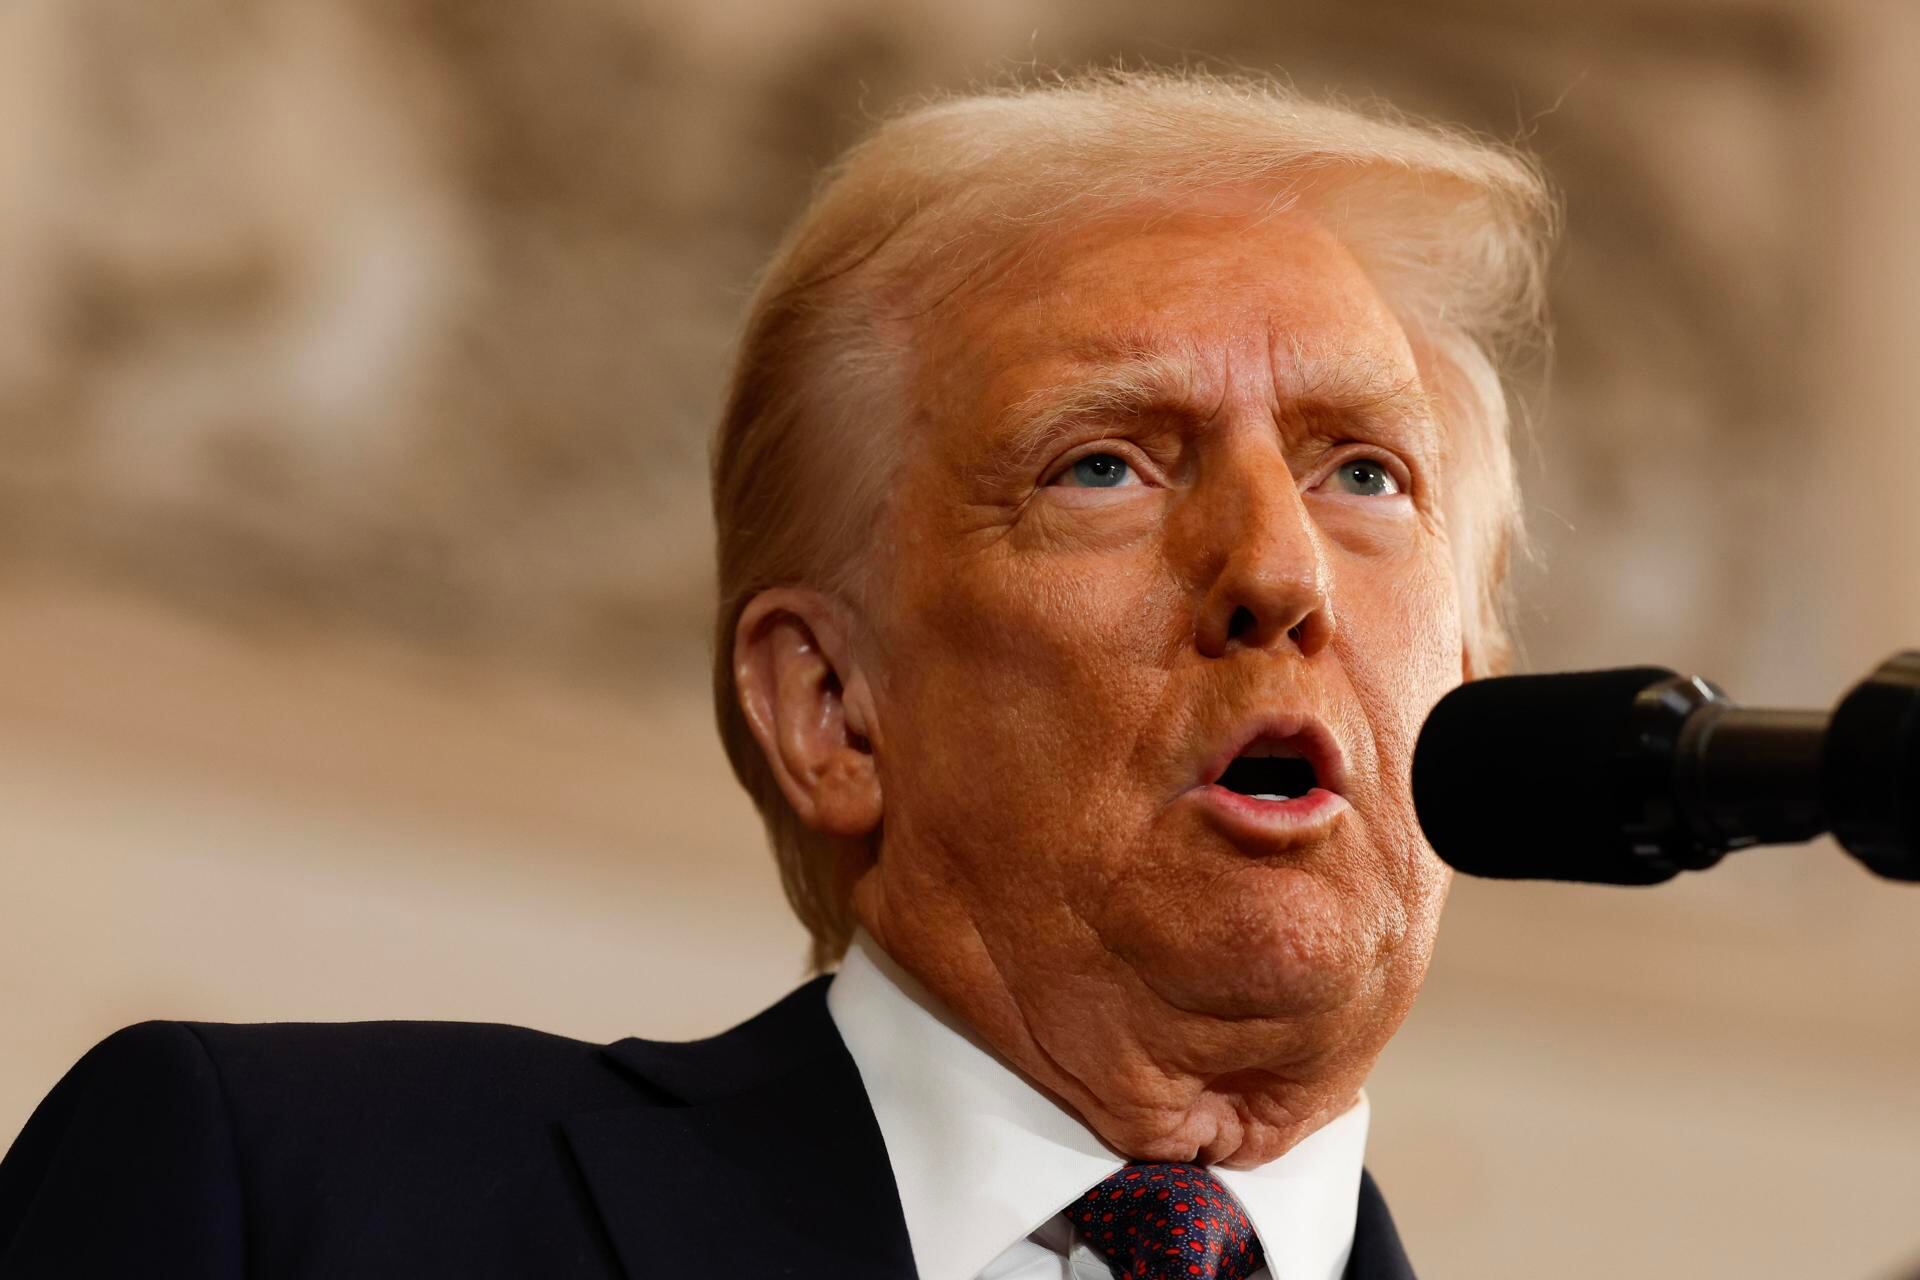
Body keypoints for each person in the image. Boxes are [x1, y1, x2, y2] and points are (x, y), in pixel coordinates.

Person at [0, 70, 1552, 1279]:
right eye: (1106, 467)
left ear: (1472, 683)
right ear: (829, 706)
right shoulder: (287, 1207)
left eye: (1365, 475)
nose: (1278, 573)